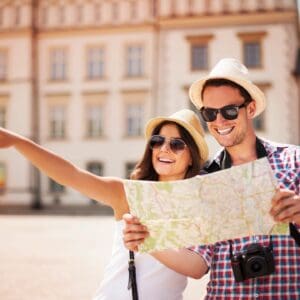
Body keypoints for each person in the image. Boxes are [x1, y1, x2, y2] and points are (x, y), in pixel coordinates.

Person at [123, 58, 300, 299]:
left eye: (229, 110)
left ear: (250, 109)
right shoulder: (203, 181)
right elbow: (197, 265)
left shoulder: (294, 160)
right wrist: (146, 239)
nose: (219, 121)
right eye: (209, 113)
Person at [0, 108, 209, 300]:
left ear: (191, 157)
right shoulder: (129, 194)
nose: (164, 149)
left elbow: (197, 268)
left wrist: (148, 240)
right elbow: (71, 175)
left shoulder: (199, 205)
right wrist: (19, 142)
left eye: (176, 144)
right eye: (158, 140)